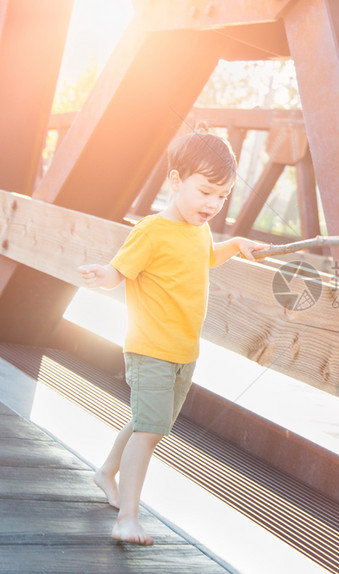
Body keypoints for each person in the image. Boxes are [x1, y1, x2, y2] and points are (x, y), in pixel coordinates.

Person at [77, 129, 265, 545]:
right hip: (151, 350)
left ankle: (106, 471)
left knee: (151, 423)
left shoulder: (198, 230)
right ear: (177, 181)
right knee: (149, 432)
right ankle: (127, 517)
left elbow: (203, 258)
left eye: (223, 195)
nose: (213, 204)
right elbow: (120, 270)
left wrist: (234, 243)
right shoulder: (151, 230)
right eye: (205, 192)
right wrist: (102, 275)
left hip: (184, 352)